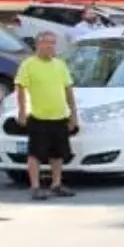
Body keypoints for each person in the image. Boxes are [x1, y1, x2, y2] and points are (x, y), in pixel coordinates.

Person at [15, 31, 77, 199]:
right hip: (38, 116)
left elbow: (68, 90)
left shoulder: (60, 65)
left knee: (58, 153)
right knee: (35, 153)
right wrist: (21, 111)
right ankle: (35, 186)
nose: (50, 46)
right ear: (38, 44)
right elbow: (20, 88)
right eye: (46, 43)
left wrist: (73, 114)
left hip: (59, 116)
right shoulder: (28, 64)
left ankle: (56, 184)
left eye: (53, 43)